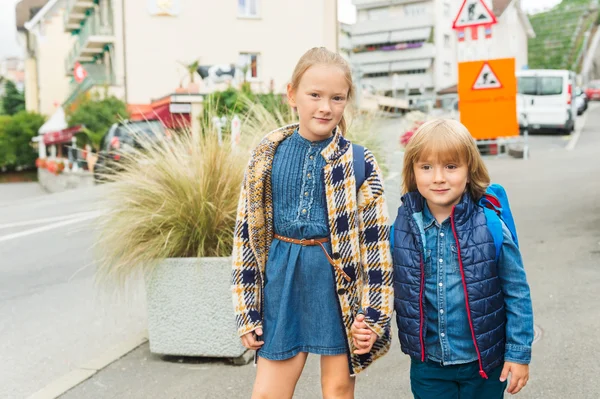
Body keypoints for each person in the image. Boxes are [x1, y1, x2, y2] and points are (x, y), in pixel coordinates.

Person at [231, 47, 394, 399]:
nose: (325, 107)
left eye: (337, 98)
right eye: (315, 95)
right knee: (267, 394)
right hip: (281, 281)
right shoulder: (267, 153)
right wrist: (247, 311)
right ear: (292, 94)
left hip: (337, 285)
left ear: (347, 100)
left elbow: (377, 247)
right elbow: (246, 235)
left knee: (337, 391)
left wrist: (374, 316)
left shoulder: (359, 161)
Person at [352, 119, 534, 398]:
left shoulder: (490, 225)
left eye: (451, 166)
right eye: (426, 167)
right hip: (429, 367)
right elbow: (382, 288)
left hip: (485, 365)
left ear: (470, 171)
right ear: (412, 173)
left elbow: (516, 292)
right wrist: (369, 322)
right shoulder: (399, 232)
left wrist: (519, 353)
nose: (438, 177)